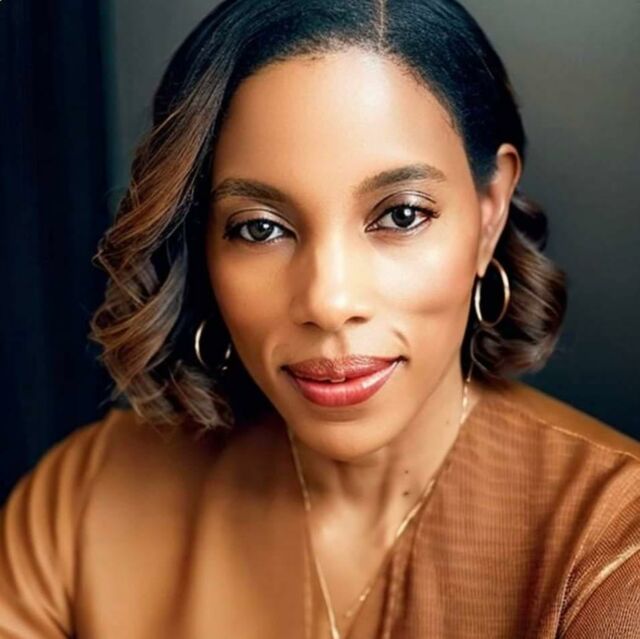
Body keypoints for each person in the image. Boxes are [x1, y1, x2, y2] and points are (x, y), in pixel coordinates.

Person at [1, 0, 639, 637]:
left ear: (489, 211)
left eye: (401, 215)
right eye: (260, 228)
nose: (329, 302)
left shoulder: (611, 548)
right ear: (203, 243)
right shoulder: (85, 502)